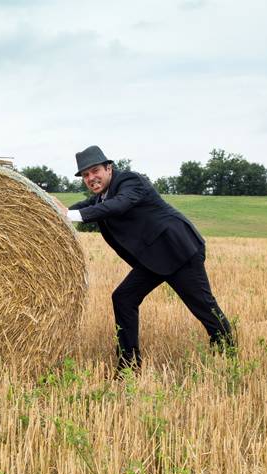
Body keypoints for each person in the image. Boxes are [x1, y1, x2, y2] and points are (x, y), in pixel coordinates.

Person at [55, 146, 234, 375]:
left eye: (95, 171)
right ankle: (128, 365)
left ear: (109, 168)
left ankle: (228, 354)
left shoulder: (131, 182)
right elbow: (80, 208)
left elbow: (118, 205)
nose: (91, 178)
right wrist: (55, 212)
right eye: (86, 175)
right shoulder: (101, 197)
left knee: (203, 306)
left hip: (177, 251)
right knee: (123, 298)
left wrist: (69, 215)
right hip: (153, 260)